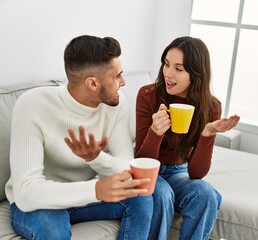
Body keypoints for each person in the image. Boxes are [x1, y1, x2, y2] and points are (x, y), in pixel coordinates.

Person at [5, 35, 153, 240]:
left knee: (142, 199)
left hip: (85, 198)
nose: (123, 82)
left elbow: (127, 168)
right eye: (117, 76)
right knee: (53, 231)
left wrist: (96, 158)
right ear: (93, 83)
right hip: (40, 203)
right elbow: (27, 193)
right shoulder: (33, 105)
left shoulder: (117, 105)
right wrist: (96, 189)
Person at [135, 36, 240, 240]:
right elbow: (142, 161)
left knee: (206, 195)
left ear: (196, 74)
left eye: (178, 69)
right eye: (166, 64)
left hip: (179, 172)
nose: (168, 74)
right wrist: (155, 132)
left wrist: (207, 134)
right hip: (149, 171)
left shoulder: (211, 106)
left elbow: (197, 173)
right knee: (162, 194)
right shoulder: (148, 95)